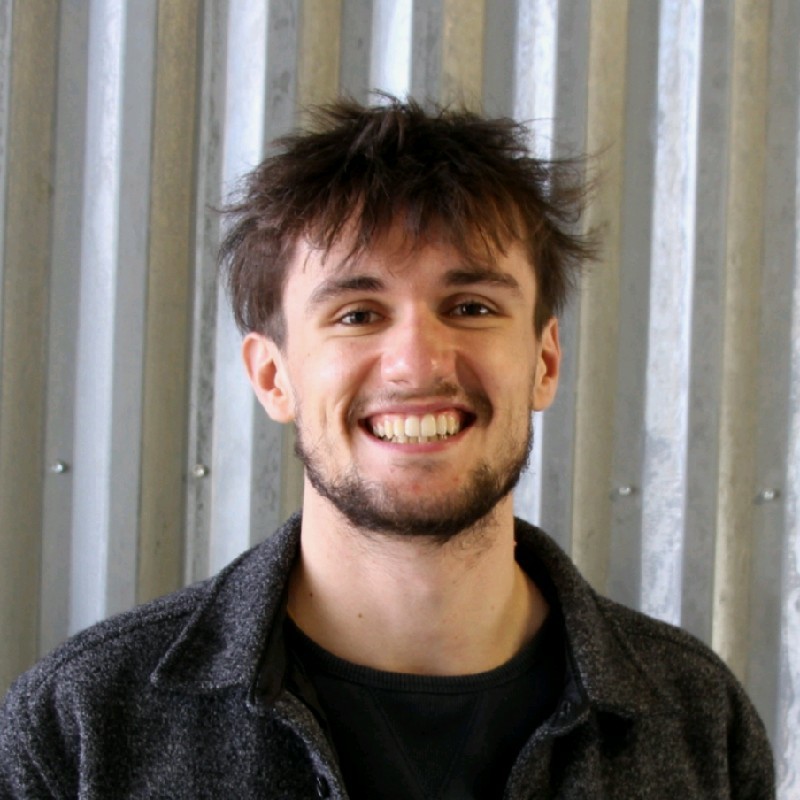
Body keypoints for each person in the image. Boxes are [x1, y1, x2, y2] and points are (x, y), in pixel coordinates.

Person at [0, 98, 774, 799]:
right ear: (273, 377)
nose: (417, 362)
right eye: (358, 314)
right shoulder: (81, 726)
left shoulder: (698, 721)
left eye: (471, 307)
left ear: (544, 363)